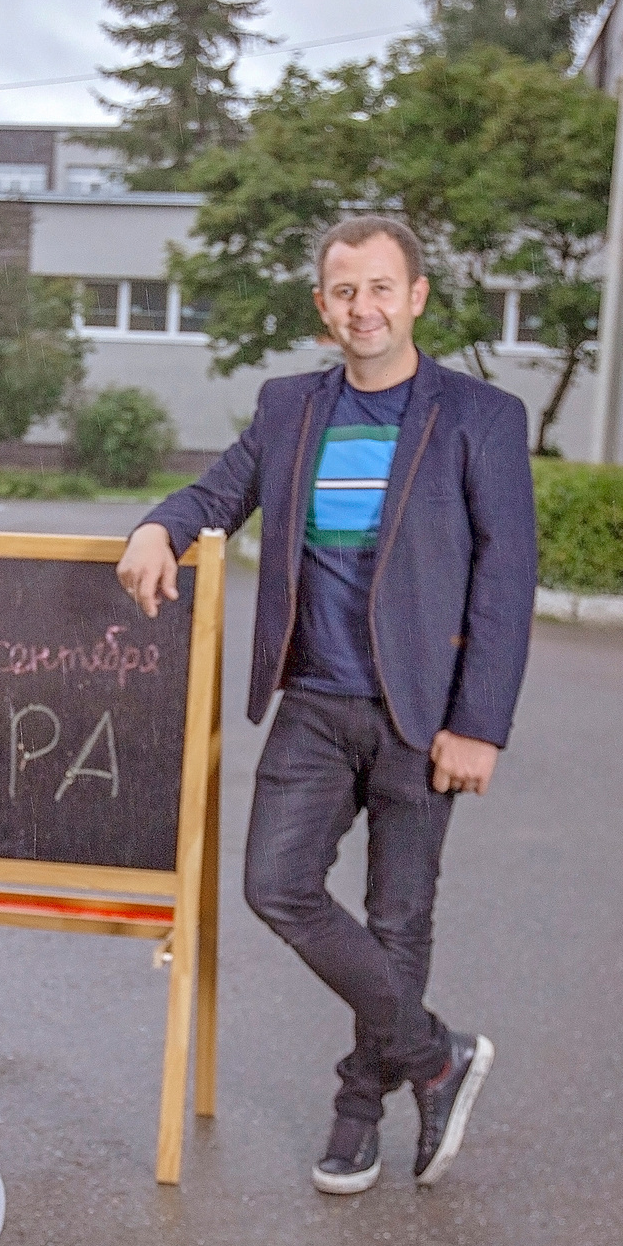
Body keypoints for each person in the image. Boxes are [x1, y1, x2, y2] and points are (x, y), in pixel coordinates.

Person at [116, 216, 537, 1195]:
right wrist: (157, 529)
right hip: (311, 700)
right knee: (276, 885)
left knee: (399, 918)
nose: (364, 308)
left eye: (382, 288)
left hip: (421, 712)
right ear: (323, 305)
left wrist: (479, 725)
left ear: (416, 296)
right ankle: (435, 1056)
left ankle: (358, 1115)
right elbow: (217, 495)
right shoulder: (290, 407)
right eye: (345, 291)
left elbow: (505, 579)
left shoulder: (479, 416)